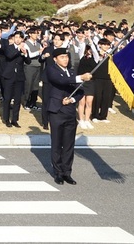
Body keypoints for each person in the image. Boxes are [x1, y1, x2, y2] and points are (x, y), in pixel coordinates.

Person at [45, 47, 91, 185]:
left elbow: (80, 91)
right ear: (55, 59)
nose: (65, 59)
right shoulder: (51, 69)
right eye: (62, 57)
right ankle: (58, 172)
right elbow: (61, 81)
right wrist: (81, 77)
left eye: (66, 57)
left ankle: (67, 172)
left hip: (70, 112)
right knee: (57, 144)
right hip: (57, 111)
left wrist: (72, 100)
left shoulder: (71, 72)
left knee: (69, 144)